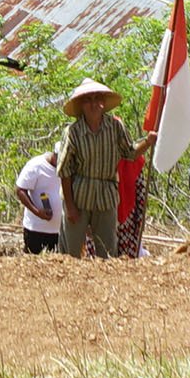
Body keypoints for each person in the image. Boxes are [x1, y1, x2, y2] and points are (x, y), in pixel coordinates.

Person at [58, 81, 136, 259]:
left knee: (107, 252)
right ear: (81, 105)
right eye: (88, 100)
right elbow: (64, 171)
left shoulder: (115, 127)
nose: (93, 104)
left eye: (97, 99)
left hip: (106, 196)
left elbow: (130, 153)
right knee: (70, 253)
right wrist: (70, 207)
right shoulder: (73, 132)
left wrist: (148, 142)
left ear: (104, 103)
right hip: (79, 196)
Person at [15, 141, 65, 254]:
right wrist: (37, 212)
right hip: (37, 230)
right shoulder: (36, 165)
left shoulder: (69, 168)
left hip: (61, 231)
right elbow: (20, 190)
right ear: (55, 155)